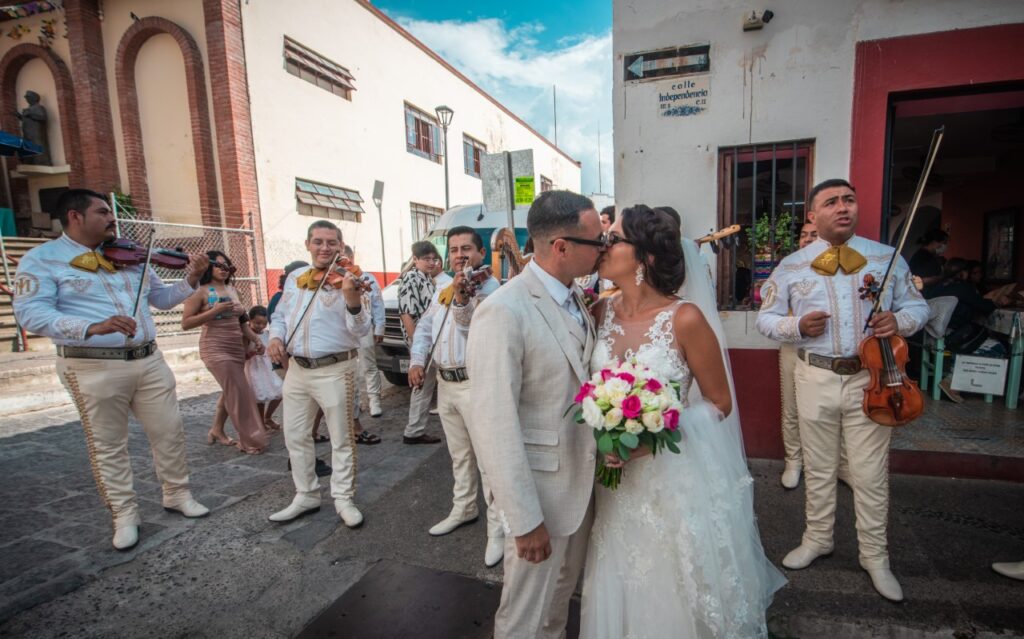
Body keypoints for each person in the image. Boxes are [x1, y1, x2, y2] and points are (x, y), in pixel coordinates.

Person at [580, 205, 784, 638]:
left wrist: (653, 434)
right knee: (621, 565)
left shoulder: (685, 318)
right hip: (615, 477)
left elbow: (719, 403)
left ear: (646, 257)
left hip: (669, 472)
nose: (604, 245)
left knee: (674, 576)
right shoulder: (599, 312)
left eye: (613, 239)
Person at [756, 179, 929, 602]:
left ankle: (876, 557)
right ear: (813, 215)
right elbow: (766, 318)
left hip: (872, 380)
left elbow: (918, 307)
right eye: (831, 202)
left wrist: (898, 322)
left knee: (870, 474)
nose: (842, 207)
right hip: (814, 375)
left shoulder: (886, 258)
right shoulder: (792, 265)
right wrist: (796, 326)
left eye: (849, 199)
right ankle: (818, 539)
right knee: (818, 467)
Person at [12, 188, 211, 550]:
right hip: (91, 365)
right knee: (108, 444)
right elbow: (31, 313)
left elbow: (162, 300)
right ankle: (124, 514)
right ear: (75, 216)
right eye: (103, 212)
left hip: (149, 360)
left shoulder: (130, 257)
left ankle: (177, 494)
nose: (111, 218)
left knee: (169, 431)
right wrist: (91, 327)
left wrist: (191, 280)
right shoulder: (42, 259)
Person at [466, 190, 604, 638]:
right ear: (562, 246)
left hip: (577, 489)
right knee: (523, 617)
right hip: (538, 496)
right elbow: (493, 424)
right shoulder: (503, 311)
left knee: (558, 603)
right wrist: (524, 521)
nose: (603, 251)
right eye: (596, 243)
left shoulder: (576, 297)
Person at [409, 226, 504, 566]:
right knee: (459, 455)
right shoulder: (442, 289)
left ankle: (498, 528)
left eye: (467, 248)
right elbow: (424, 327)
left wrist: (465, 294)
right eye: (453, 249)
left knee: (489, 461)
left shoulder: (491, 290)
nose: (459, 254)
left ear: (480, 253)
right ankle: (463, 508)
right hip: (446, 384)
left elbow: (472, 327)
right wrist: (418, 360)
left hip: (475, 384)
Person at [266, 220, 370, 527]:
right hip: (298, 369)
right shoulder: (296, 277)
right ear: (308, 244)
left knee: (341, 438)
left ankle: (343, 498)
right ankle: (306, 494)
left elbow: (362, 330)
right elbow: (281, 315)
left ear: (340, 246)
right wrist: (275, 337)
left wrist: (352, 300)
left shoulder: (349, 279)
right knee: (295, 435)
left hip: (336, 368)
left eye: (331, 242)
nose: (324, 248)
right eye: (318, 242)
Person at [182, 251, 268, 455]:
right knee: (238, 392)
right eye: (217, 265)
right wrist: (214, 311)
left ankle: (216, 430)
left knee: (231, 391)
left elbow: (241, 322)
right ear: (207, 268)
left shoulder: (232, 289)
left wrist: (256, 339)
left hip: (235, 346)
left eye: (226, 265)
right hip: (215, 347)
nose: (222, 269)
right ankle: (249, 440)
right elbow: (186, 323)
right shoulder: (200, 291)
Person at [399, 241, 444, 445]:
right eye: (426, 259)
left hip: (428, 340)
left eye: (433, 259)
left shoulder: (428, 278)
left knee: (426, 385)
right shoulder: (410, 278)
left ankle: (416, 428)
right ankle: (413, 430)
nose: (431, 262)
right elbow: (406, 313)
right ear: (415, 259)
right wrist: (416, 344)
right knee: (421, 385)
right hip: (420, 340)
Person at [342, 244, 383, 443]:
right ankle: (355, 408)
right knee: (351, 373)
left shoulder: (368, 278)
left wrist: (380, 327)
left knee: (369, 365)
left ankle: (375, 401)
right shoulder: (333, 282)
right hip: (344, 332)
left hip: (364, 326)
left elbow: (377, 303)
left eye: (346, 258)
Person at [244, 305, 282, 431]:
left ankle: (268, 417)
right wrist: (253, 352)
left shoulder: (267, 334)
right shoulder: (246, 335)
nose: (261, 326)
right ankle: (261, 423)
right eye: (257, 323)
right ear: (250, 320)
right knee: (260, 397)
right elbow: (243, 354)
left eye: (264, 323)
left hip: (268, 369)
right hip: (254, 370)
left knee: (280, 392)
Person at [909, 228, 948, 296]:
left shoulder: (926, 256)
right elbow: (919, 279)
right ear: (934, 242)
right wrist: (939, 278)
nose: (945, 246)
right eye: (944, 243)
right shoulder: (923, 257)